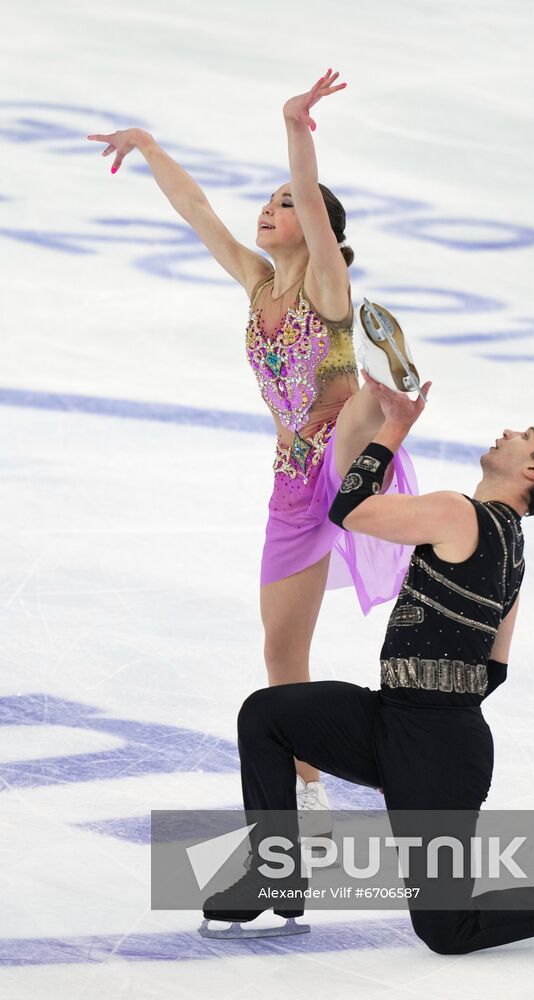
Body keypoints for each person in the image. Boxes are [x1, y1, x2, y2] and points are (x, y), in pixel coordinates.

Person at [200, 371, 534, 952]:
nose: (510, 431)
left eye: (528, 434)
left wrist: (394, 429)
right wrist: (424, 712)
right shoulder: (513, 550)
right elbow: (496, 666)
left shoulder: (458, 513)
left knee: (447, 929)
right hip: (401, 720)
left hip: (435, 744)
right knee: (267, 714)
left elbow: (352, 509)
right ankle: (275, 873)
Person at [87, 71, 421, 812]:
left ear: (318, 226)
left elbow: (307, 186)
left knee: (357, 408)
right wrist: (145, 145)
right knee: (280, 651)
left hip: (346, 459)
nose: (269, 211)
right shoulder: (255, 282)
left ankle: (385, 408)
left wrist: (295, 125)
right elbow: (197, 209)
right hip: (295, 481)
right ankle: (309, 790)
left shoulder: (326, 289)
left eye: (285, 205)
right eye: (266, 203)